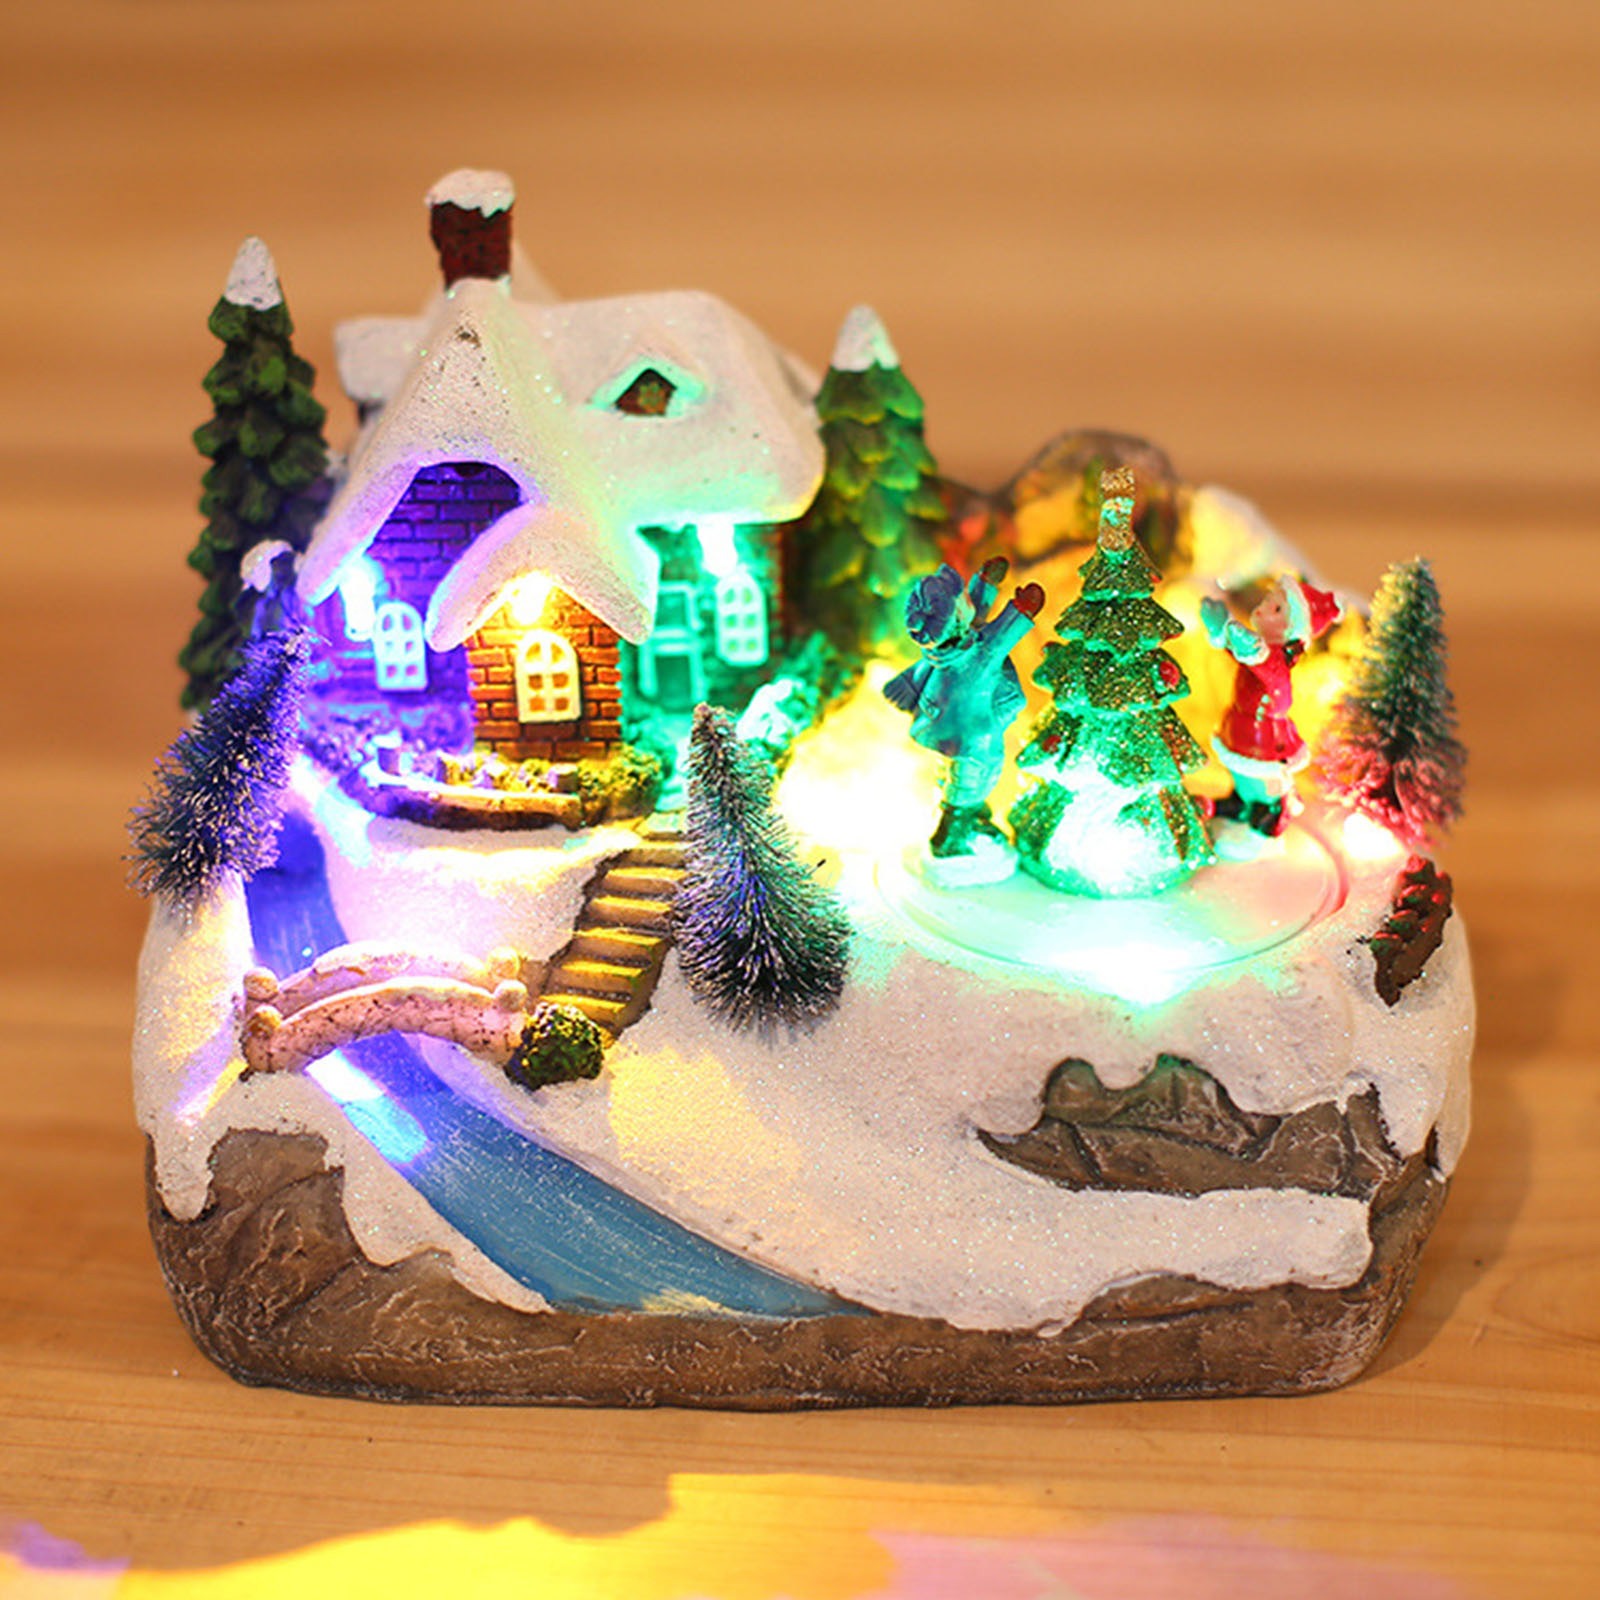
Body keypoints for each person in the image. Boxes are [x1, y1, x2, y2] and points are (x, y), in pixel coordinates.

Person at [884, 557, 1044, 874]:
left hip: (949, 722)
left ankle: (969, 815)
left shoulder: (946, 643)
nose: (969, 601)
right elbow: (999, 635)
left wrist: (985, 582)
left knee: (955, 773)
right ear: (957, 616)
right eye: (964, 599)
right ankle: (951, 835)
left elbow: (974, 613)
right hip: (972, 733)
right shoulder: (979, 654)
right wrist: (1021, 610)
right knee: (978, 774)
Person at [1201, 574, 1342, 837]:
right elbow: (1242, 655)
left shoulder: (1276, 662)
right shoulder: (1260, 650)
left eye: (1275, 608)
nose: (1262, 608)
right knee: (1239, 771)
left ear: (1291, 629)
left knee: (1259, 780)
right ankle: (1238, 802)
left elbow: (1276, 687)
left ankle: (1264, 816)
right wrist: (1221, 631)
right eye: (1267, 599)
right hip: (1241, 726)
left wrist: (1255, 654)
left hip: (1262, 737)